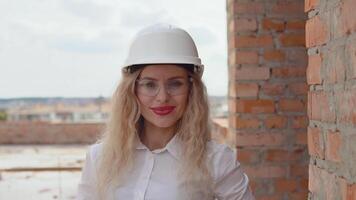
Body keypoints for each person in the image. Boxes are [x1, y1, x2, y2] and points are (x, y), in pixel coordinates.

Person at [77, 24, 255, 200]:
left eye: (175, 83)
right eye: (149, 85)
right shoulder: (99, 158)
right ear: (133, 90)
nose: (162, 97)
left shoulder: (216, 160)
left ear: (192, 90)